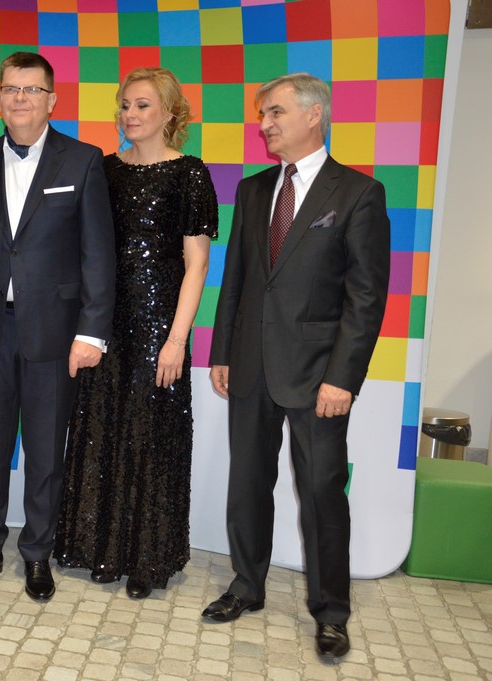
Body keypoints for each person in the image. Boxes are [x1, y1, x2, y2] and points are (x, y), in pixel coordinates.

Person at [204, 73, 390, 660]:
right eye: (263, 114)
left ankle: (331, 612)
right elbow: (237, 279)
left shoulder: (358, 193)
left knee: (321, 493)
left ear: (314, 115)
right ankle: (246, 586)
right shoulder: (254, 189)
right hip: (250, 367)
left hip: (318, 376)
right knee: (247, 483)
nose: (265, 124)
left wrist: (343, 378)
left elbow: (366, 298)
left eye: (276, 112)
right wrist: (223, 352)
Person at [0, 51, 116, 603]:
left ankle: (38, 552)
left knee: (46, 451)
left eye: (31, 90)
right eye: (10, 89)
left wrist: (91, 333)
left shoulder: (84, 161)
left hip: (56, 332)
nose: (19, 98)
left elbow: (98, 254)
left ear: (52, 100)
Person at [53, 68, 218, 599]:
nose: (130, 114)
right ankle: (99, 548)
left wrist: (175, 340)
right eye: (125, 105)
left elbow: (197, 265)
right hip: (103, 324)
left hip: (158, 326)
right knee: (101, 428)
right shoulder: (102, 170)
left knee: (151, 435)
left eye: (143, 105)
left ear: (169, 112)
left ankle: (148, 558)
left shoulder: (189, 173)